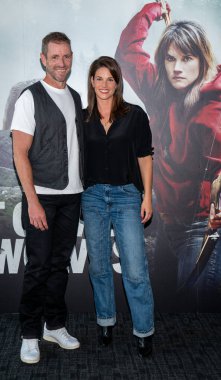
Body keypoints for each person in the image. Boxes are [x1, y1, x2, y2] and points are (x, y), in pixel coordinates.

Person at [115, 2, 221, 310]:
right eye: (170, 58)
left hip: (203, 225)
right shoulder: (159, 91)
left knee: (197, 311)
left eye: (187, 58)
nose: (177, 67)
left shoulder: (214, 102)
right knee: (166, 307)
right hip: (168, 222)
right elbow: (127, 53)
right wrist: (153, 10)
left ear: (202, 61)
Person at [11, 32, 84, 364]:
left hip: (72, 196)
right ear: (43, 58)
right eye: (55, 57)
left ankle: (54, 325)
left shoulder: (76, 97)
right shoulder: (29, 98)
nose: (61, 63)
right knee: (38, 267)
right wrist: (33, 201)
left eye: (66, 56)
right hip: (42, 196)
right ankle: (29, 334)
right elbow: (20, 153)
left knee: (59, 266)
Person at [81, 56, 154, 357]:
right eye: (99, 78)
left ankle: (144, 331)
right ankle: (105, 321)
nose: (105, 84)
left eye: (110, 79)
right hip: (93, 197)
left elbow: (145, 157)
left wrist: (147, 195)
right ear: (91, 81)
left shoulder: (135, 115)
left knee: (135, 269)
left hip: (127, 196)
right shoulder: (82, 119)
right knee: (98, 266)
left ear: (118, 82)